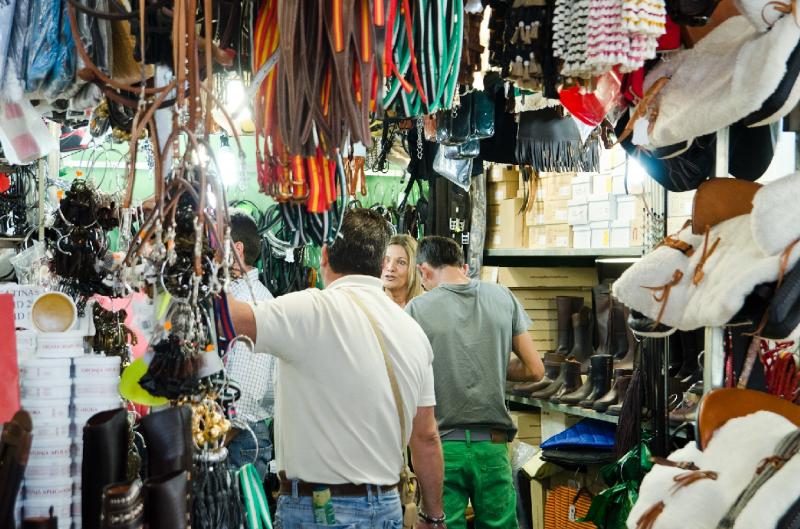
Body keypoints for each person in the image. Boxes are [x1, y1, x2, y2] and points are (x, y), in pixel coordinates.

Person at [227, 209, 446, 529]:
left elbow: (225, 316)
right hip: (387, 508)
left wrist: (194, 250)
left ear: (325, 255)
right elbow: (425, 437)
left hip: (319, 511)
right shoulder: (411, 331)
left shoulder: (309, 310)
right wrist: (434, 515)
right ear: (381, 264)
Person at [405, 236, 545, 529]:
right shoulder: (503, 297)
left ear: (424, 272)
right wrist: (491, 364)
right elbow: (535, 369)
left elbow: (408, 378)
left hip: (443, 448)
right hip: (492, 447)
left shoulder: (416, 310)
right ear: (463, 266)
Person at [224, 210, 276, 480]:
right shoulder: (234, 297)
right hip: (231, 435)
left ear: (237, 249)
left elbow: (246, 392)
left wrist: (216, 440)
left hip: (239, 440)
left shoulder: (252, 303)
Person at [382, 234, 424, 308]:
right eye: (387, 260)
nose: (391, 268)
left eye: (401, 262)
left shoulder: (425, 306)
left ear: (414, 269)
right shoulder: (368, 303)